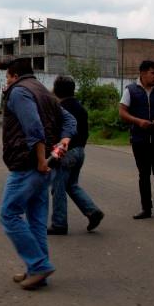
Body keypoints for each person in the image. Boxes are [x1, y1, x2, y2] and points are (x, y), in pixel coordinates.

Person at [0, 59, 75, 290]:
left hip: (29, 164)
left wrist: (41, 159)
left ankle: (39, 265)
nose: (6, 82)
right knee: (36, 220)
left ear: (13, 75)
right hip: (44, 165)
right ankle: (36, 270)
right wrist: (64, 139)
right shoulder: (44, 92)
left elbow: (33, 128)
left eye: (7, 77)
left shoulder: (19, 92)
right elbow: (69, 120)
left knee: (9, 214)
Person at [119, 60, 154, 221]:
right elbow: (122, 112)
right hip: (139, 139)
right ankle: (146, 208)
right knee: (143, 175)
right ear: (143, 74)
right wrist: (138, 121)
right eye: (153, 73)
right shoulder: (130, 90)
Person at [47, 75, 104, 235]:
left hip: (65, 152)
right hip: (79, 152)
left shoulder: (60, 109)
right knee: (71, 185)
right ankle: (92, 211)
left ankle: (59, 224)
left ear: (56, 90)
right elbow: (84, 133)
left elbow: (58, 135)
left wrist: (53, 156)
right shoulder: (80, 108)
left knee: (57, 188)